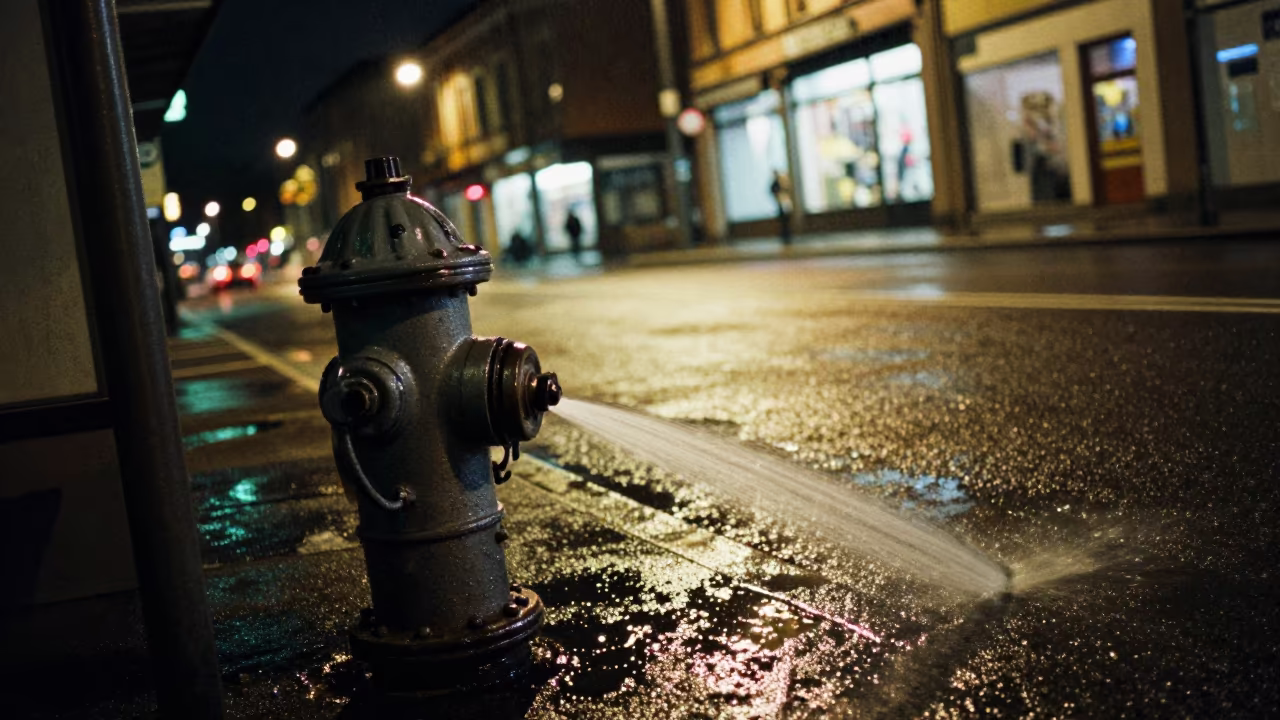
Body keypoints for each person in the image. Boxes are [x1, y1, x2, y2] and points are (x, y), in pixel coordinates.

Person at [770, 170, 793, 246]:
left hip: (785, 203)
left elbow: (788, 190)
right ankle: (785, 236)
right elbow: (772, 191)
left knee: (786, 221)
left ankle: (787, 235)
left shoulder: (782, 182)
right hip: (780, 204)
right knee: (783, 222)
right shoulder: (775, 183)